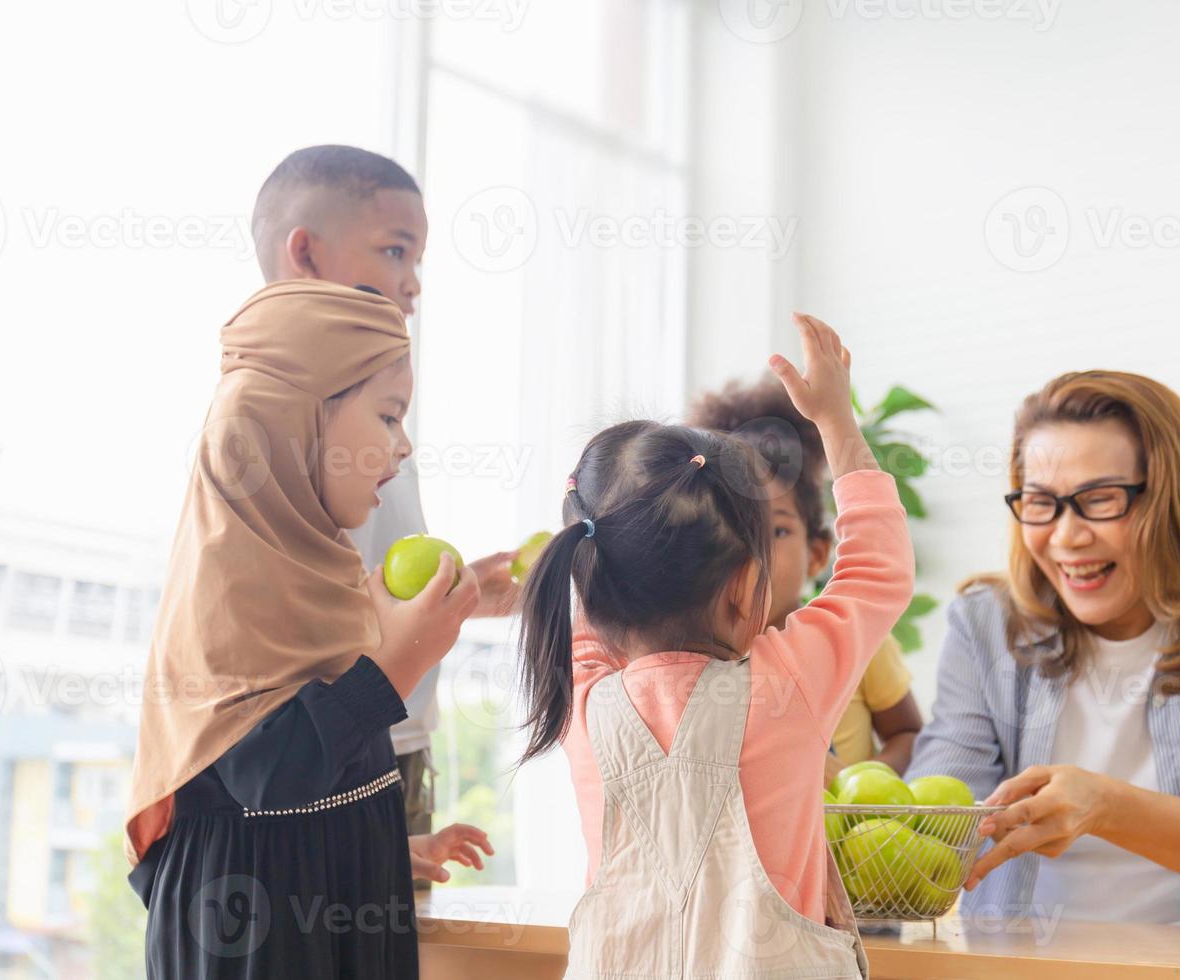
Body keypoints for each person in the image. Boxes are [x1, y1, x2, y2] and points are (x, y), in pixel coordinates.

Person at [518, 314, 914, 978]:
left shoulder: (582, 702)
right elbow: (879, 571)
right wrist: (836, 424)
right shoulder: (788, 682)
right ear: (745, 586)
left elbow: (595, 571)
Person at [124, 281, 481, 977]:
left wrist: (385, 846)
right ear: (292, 422)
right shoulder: (228, 586)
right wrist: (400, 661)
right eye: (387, 415)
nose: (402, 446)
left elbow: (305, 788)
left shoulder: (325, 573)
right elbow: (269, 774)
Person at [907, 370, 1180, 931]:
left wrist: (1103, 806)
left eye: (1100, 500)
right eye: (1040, 503)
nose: (1066, 536)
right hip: (1026, 970)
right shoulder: (986, 625)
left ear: (1175, 501)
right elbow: (934, 816)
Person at [250, 144, 517, 883]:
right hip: (336, 741)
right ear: (302, 253)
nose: (412, 285)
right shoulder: (282, 432)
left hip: (383, 740)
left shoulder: (371, 416)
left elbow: (377, 587)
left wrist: (467, 592)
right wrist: (405, 647)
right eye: (394, 251)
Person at [688, 374, 924, 787]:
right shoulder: (696, 657)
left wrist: (856, 784)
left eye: (776, 533)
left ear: (817, 552)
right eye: (738, 535)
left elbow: (908, 732)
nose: (755, 555)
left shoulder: (854, 641)